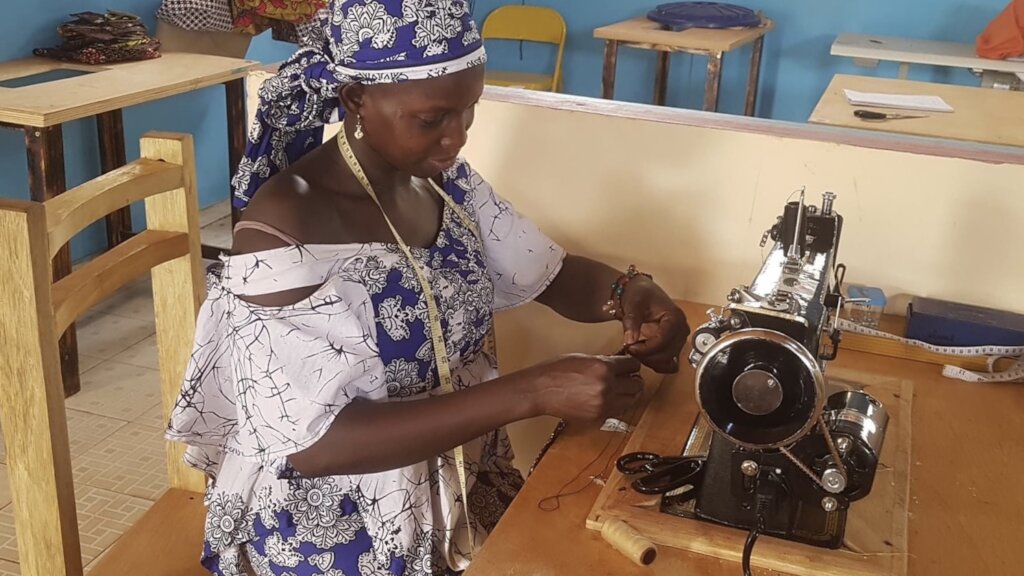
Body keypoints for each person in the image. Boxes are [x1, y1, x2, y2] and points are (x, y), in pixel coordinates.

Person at [166, 1, 690, 575]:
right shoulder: (283, 231)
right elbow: (314, 445)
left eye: (469, 111)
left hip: (460, 494)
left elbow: (553, 274)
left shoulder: (444, 186)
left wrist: (630, 292)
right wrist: (532, 392)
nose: (457, 138)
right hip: (339, 532)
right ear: (356, 101)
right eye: (432, 119)